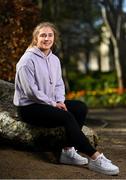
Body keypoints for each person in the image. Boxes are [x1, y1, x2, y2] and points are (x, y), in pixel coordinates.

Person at [13, 22, 119, 176]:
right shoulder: (26, 61)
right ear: (35, 38)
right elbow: (31, 92)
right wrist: (53, 104)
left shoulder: (54, 59)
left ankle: (67, 152)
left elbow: (58, 84)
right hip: (30, 108)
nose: (47, 38)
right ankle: (95, 157)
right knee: (66, 116)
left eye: (50, 35)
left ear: (54, 38)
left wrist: (60, 101)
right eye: (43, 35)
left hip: (50, 103)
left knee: (80, 107)